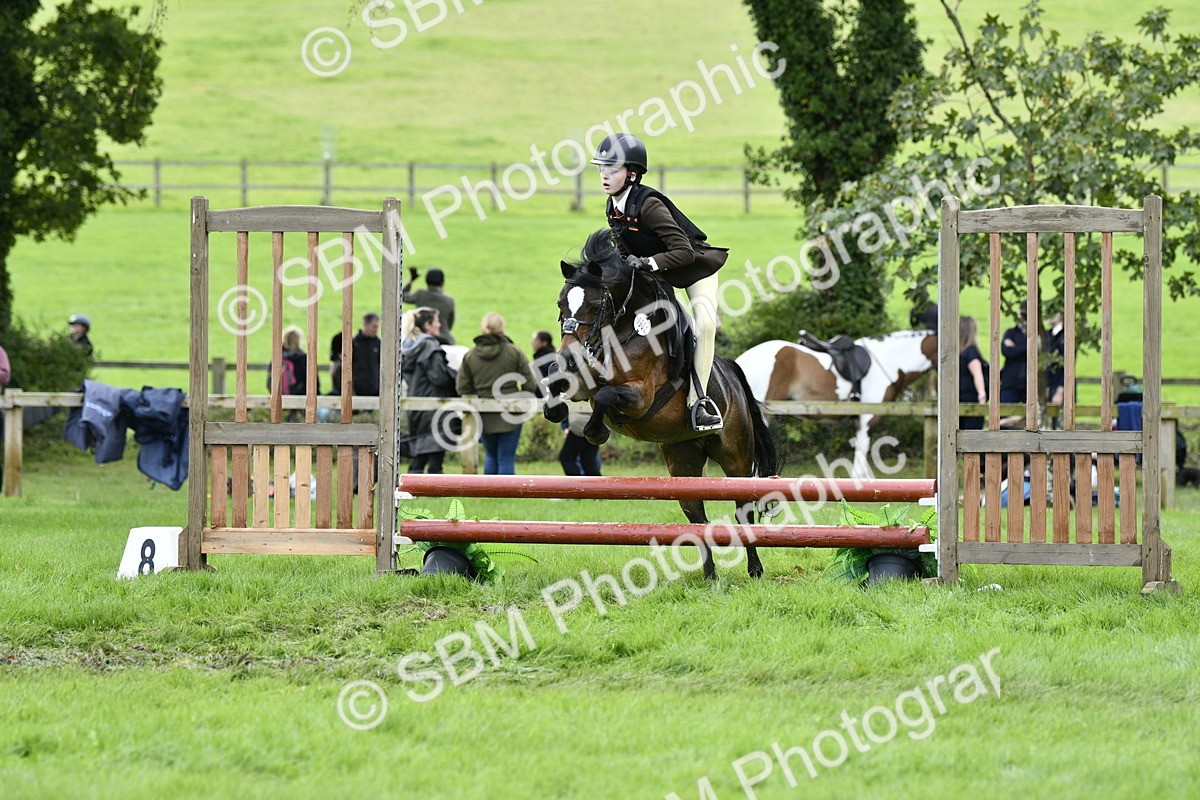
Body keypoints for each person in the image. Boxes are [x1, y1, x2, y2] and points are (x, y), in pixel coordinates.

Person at [592, 132, 728, 431]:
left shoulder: (649, 205)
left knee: (703, 326)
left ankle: (699, 403)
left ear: (631, 174)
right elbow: (626, 251)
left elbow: (683, 251)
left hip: (694, 269)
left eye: (611, 170)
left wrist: (648, 263)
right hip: (660, 275)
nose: (604, 175)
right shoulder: (613, 206)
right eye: (601, 168)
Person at [457, 312, 539, 475]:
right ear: (502, 328)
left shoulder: (470, 355)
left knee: (491, 455)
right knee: (506, 457)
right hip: (512, 412)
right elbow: (530, 382)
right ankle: (506, 493)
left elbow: (462, 387)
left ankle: (489, 492)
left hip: (483, 413)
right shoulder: (513, 352)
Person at [402, 307, 458, 474]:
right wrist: (454, 375)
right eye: (436, 321)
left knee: (420, 449)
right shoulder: (430, 347)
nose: (440, 324)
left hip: (416, 403)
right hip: (434, 405)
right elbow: (439, 378)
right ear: (427, 325)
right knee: (433, 456)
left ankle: (414, 488)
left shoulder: (410, 346)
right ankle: (430, 489)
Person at [329, 313, 382, 397]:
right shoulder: (353, 343)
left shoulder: (379, 344)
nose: (376, 330)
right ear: (365, 325)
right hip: (356, 388)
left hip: (374, 388)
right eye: (374, 326)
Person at [402, 267, 456, 345]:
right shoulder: (449, 300)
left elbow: (402, 296)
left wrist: (411, 280)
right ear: (442, 282)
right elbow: (450, 323)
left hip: (422, 337)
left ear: (426, 281)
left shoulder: (420, 294)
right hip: (445, 339)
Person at [959, 317, 988, 431]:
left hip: (957, 400)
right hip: (971, 401)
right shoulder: (971, 351)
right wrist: (982, 395)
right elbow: (977, 374)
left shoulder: (957, 354)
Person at [999, 315, 1029, 403]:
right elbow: (1006, 351)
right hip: (1010, 382)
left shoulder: (1039, 334)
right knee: (1004, 413)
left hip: (1031, 383)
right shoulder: (1011, 332)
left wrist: (1016, 347)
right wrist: (1028, 347)